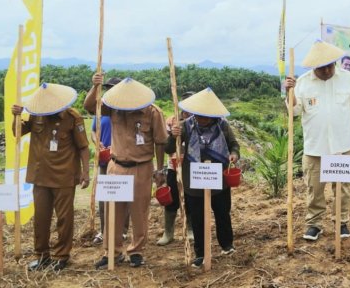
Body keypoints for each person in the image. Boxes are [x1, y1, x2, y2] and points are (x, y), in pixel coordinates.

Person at [283, 40, 350, 241]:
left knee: (343, 188)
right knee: (315, 189)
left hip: (344, 145)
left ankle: (342, 222)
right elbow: (293, 111)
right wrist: (289, 92)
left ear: (335, 62)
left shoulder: (348, 79)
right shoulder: (303, 83)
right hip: (315, 147)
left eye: (330, 66)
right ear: (314, 67)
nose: (327, 71)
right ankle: (314, 224)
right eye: (321, 68)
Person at [84, 75, 168, 269]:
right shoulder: (112, 109)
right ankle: (111, 252)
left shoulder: (152, 112)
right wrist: (95, 86)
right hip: (116, 166)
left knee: (139, 211)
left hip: (141, 167)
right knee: (113, 211)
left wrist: (160, 169)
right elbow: (89, 106)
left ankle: (136, 251)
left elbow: (161, 142)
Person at [10, 83, 90, 271]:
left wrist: (85, 172)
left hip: (65, 176)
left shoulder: (73, 117)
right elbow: (18, 133)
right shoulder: (36, 114)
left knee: (64, 218)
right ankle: (42, 255)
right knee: (41, 217)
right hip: (40, 176)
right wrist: (16, 116)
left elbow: (83, 147)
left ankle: (61, 256)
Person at [166, 87, 240, 267]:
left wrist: (234, 155)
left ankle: (227, 244)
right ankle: (200, 253)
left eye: (206, 116)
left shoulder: (222, 125)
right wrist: (172, 136)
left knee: (222, 213)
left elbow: (234, 145)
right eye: (198, 115)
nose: (201, 119)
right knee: (198, 218)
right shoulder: (185, 126)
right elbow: (169, 149)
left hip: (220, 179)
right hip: (194, 180)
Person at [91, 77, 130, 245]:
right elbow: (93, 131)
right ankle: (104, 229)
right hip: (104, 159)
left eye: (113, 87)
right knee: (104, 196)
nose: (110, 90)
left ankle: (122, 230)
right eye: (108, 87)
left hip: (121, 159)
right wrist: (96, 140)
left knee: (122, 195)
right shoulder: (102, 109)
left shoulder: (126, 109)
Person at [156, 91, 196, 246]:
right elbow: (167, 146)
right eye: (186, 107)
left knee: (191, 199)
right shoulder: (172, 121)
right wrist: (173, 135)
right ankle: (168, 232)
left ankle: (191, 229)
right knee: (171, 200)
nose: (189, 111)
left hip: (193, 168)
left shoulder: (199, 121)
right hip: (174, 167)